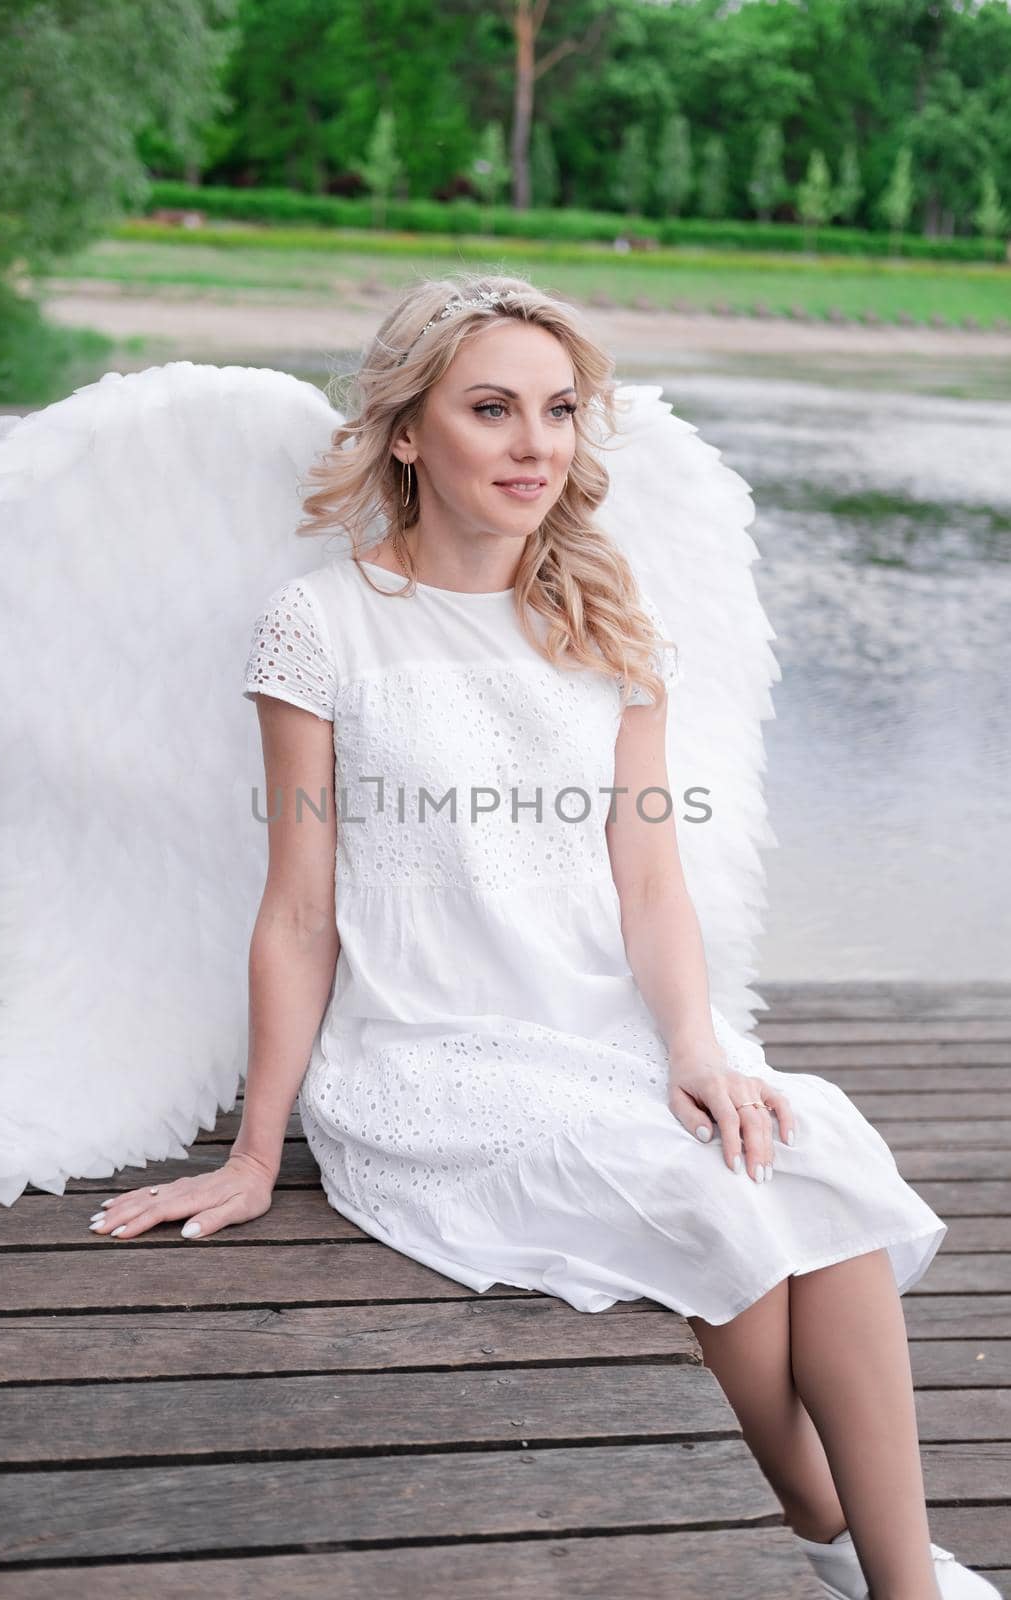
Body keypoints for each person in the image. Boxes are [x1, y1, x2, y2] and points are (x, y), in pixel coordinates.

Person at [72, 273, 978, 1598]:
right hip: (427, 1049)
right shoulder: (320, 626)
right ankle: (834, 1531)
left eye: (558, 411)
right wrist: (260, 1151)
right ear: (405, 432)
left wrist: (693, 1042)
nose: (534, 444)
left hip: (607, 1023)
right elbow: (299, 909)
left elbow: (652, 887)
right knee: (715, 1201)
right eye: (490, 409)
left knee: (810, 1151)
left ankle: (882, 1575)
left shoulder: (608, 625)